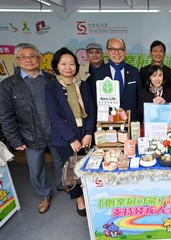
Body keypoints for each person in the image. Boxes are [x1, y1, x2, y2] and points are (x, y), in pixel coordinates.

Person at [0, 43, 63, 214]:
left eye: (33, 56)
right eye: (23, 57)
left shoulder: (52, 79)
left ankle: (61, 184)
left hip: (55, 132)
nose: (29, 60)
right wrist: (14, 140)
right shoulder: (8, 85)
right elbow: (5, 116)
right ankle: (44, 194)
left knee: (61, 162)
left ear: (40, 59)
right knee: (36, 169)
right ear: (17, 60)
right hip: (29, 135)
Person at [45, 47, 95, 217]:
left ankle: (90, 196)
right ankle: (79, 201)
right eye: (64, 64)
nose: (68, 67)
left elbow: (91, 110)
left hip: (86, 135)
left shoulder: (84, 85)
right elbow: (54, 116)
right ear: (56, 66)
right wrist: (72, 139)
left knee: (88, 168)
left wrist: (88, 132)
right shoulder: (51, 88)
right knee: (72, 171)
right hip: (65, 138)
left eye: (72, 63)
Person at [94, 38, 141, 121]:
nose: (117, 52)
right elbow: (94, 101)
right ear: (107, 52)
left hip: (130, 121)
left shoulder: (134, 71)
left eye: (120, 49)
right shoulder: (98, 73)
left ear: (125, 51)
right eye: (112, 49)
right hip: (107, 122)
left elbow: (139, 97)